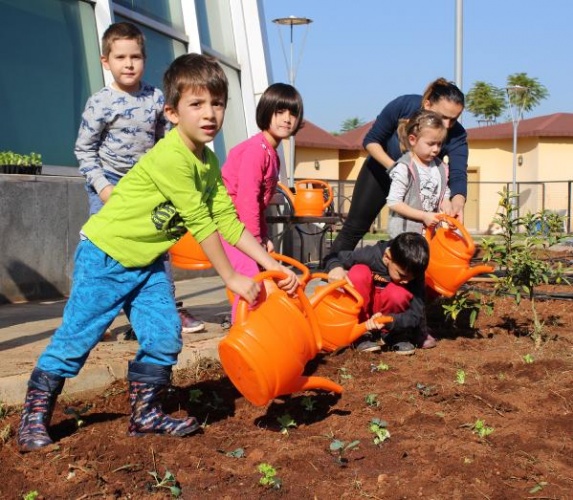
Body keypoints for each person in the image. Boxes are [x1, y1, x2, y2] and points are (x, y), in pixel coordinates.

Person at [17, 53, 299, 452]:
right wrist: (232, 277)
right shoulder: (172, 157)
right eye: (196, 104)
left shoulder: (208, 161)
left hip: (147, 264)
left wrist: (272, 266)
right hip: (106, 257)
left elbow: (229, 222)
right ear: (171, 111)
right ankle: (32, 420)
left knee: (165, 337)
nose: (209, 114)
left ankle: (145, 414)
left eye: (217, 104)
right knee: (75, 342)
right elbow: (201, 222)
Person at [74, 21, 203, 334]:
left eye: (135, 56)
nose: (128, 63)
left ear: (144, 59)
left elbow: (166, 142)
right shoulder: (100, 102)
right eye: (120, 57)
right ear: (106, 61)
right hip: (108, 187)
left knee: (158, 248)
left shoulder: (157, 99)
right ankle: (89, 318)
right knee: (102, 253)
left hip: (146, 189)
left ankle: (165, 310)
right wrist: (103, 188)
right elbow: (84, 151)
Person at [327, 78, 466, 257]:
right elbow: (371, 141)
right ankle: (329, 270)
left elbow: (458, 174)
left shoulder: (458, 135)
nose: (447, 125)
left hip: (419, 188)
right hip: (380, 173)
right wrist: (397, 169)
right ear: (427, 104)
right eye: (443, 117)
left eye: (453, 120)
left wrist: (457, 203)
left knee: (416, 241)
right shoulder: (404, 105)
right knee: (354, 228)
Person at [221, 83, 304, 322]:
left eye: (293, 114)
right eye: (280, 112)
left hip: (241, 228)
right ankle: (243, 336)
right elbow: (246, 200)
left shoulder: (271, 153)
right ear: (266, 112)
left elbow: (260, 204)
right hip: (227, 226)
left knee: (261, 279)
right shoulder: (257, 150)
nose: (287, 119)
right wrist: (256, 241)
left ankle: (261, 328)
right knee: (249, 280)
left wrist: (264, 237)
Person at [324, 232, 430, 355]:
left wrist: (391, 321)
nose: (407, 281)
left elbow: (416, 314)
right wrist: (335, 267)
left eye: (412, 278)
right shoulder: (370, 255)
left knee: (398, 293)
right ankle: (361, 333)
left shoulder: (413, 271)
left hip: (390, 319)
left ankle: (394, 336)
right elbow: (332, 257)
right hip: (365, 313)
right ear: (387, 257)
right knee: (359, 273)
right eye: (401, 275)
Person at [386, 109, 450, 238]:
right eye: (431, 144)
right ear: (413, 140)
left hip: (430, 235)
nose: (436, 149)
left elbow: (443, 193)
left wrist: (447, 205)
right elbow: (393, 202)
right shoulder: (404, 168)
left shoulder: (441, 167)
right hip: (405, 238)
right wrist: (424, 216)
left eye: (439, 144)